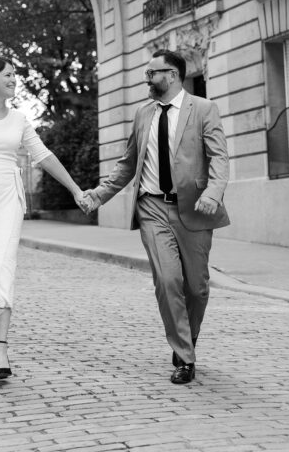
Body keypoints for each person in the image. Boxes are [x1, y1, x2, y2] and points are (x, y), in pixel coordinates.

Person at [81, 48, 230, 385]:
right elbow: (128, 163)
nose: (146, 80)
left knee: (198, 287)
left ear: (172, 75)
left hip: (193, 208)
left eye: (152, 73)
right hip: (152, 208)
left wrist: (212, 194)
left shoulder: (204, 109)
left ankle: (186, 339)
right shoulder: (143, 114)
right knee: (167, 281)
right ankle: (185, 356)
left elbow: (219, 158)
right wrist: (100, 195)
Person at [0, 56, 88, 380]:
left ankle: (1, 346)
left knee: (2, 265)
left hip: (7, 197)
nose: (14, 79)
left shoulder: (19, 119)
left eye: (15, 74)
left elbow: (43, 155)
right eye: (9, 75)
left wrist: (75, 189)